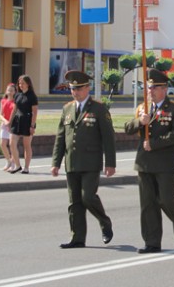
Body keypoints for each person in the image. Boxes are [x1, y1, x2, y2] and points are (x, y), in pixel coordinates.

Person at [51, 71, 116, 249]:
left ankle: (105, 222)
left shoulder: (99, 109)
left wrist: (110, 163)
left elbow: (108, 137)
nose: (75, 92)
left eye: (79, 88)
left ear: (87, 88)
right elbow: (61, 137)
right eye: (72, 89)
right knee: (74, 203)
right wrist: (55, 163)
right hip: (72, 162)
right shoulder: (67, 109)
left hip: (91, 161)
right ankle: (77, 238)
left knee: (87, 197)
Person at [125, 69, 174, 253]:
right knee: (148, 204)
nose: (150, 91)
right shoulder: (143, 108)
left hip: (164, 163)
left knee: (166, 200)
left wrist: (155, 143)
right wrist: (139, 122)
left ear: (164, 89)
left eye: (154, 88)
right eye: (149, 87)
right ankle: (152, 242)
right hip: (144, 162)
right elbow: (128, 128)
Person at [9, 75, 38, 174]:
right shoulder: (17, 95)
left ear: (28, 84)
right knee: (12, 143)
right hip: (17, 120)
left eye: (23, 83)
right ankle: (17, 165)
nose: (21, 85)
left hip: (27, 120)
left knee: (27, 145)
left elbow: (34, 112)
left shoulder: (32, 96)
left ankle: (26, 167)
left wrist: (32, 126)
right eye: (19, 83)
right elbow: (14, 109)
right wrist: (10, 121)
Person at [0, 83, 16, 171]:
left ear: (15, 92)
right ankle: (8, 160)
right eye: (8, 90)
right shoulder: (3, 101)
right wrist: (5, 121)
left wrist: (11, 122)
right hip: (5, 125)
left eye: (12, 90)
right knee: (2, 144)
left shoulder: (16, 102)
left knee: (12, 145)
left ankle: (13, 163)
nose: (10, 91)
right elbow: (0, 114)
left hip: (13, 125)